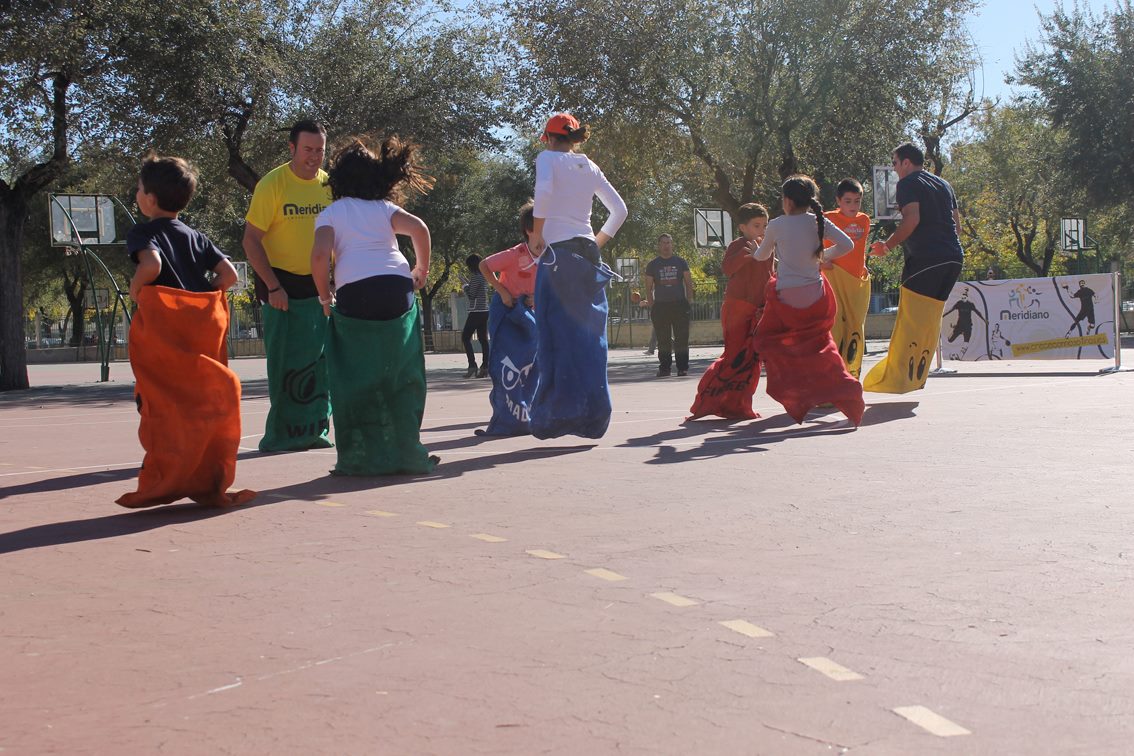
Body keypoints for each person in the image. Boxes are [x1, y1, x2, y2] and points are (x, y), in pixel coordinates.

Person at [117, 156, 255, 508]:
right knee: (198, 403)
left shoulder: (143, 232)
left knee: (162, 402)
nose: (137, 193)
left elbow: (153, 265)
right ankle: (205, 474)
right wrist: (203, 289)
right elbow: (229, 277)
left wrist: (136, 288)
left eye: (138, 188)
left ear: (148, 199)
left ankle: (166, 476)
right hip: (200, 330)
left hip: (167, 330)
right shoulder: (197, 236)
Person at [311, 135, 436, 476]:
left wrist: (325, 297)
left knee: (356, 372)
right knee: (401, 371)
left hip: (356, 292)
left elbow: (320, 256)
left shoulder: (331, 213)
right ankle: (406, 450)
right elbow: (420, 229)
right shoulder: (385, 209)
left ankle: (359, 455)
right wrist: (420, 270)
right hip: (397, 288)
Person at [527, 112, 628, 439]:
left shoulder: (547, 159)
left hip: (558, 256)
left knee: (555, 335)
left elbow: (542, 194)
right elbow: (620, 210)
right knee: (589, 338)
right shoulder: (589, 166)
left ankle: (554, 418)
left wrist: (536, 235)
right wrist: (596, 242)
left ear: (550, 138)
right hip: (588, 254)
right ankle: (594, 418)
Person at [243, 120, 334, 450]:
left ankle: (315, 431)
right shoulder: (273, 184)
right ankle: (282, 436)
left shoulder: (329, 186)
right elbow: (251, 240)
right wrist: (273, 286)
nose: (314, 157)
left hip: (320, 286)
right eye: (307, 149)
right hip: (280, 285)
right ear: (292, 148)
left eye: (320, 150)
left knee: (321, 364)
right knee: (284, 365)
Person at [748, 175, 864, 425]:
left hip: (786, 299)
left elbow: (761, 256)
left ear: (787, 201)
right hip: (816, 296)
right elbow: (847, 245)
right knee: (822, 345)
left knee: (768, 341)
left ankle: (798, 391)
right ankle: (846, 386)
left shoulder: (777, 225)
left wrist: (756, 248)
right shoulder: (817, 221)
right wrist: (821, 258)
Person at [864, 142, 965, 393]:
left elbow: (912, 218)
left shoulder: (908, 184)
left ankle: (899, 378)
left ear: (906, 162)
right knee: (930, 319)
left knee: (911, 317)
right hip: (953, 257)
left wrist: (886, 246)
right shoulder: (944, 184)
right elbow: (957, 227)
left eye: (896, 163)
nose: (895, 169)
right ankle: (917, 376)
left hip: (926, 258)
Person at [688, 203, 772, 420]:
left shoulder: (768, 246)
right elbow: (727, 268)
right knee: (734, 357)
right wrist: (748, 254)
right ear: (743, 227)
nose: (762, 230)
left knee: (752, 360)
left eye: (765, 225)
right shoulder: (739, 244)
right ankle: (708, 400)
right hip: (737, 308)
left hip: (757, 310)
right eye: (756, 225)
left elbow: (768, 275)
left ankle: (740, 405)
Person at [477, 201, 542, 435]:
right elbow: (484, 265)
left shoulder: (549, 257)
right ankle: (504, 419)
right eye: (541, 225)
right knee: (507, 363)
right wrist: (501, 290)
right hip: (505, 309)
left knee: (533, 363)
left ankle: (526, 415)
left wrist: (537, 297)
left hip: (528, 313)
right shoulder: (515, 254)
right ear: (528, 230)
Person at [822, 178, 873, 379]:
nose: (853, 206)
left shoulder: (864, 220)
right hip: (834, 277)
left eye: (857, 201)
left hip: (855, 281)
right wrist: (820, 261)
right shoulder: (826, 218)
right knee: (836, 327)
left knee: (855, 327)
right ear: (838, 200)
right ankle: (832, 376)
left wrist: (862, 267)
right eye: (848, 201)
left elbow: (860, 250)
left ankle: (851, 374)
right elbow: (812, 245)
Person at [644, 234, 694, 377]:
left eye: (669, 243)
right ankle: (665, 368)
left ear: (672, 244)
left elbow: (689, 283)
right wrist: (652, 305)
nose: (666, 245)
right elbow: (648, 287)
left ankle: (682, 367)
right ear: (659, 245)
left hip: (679, 305)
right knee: (663, 339)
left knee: (681, 339)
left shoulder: (681, 262)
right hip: (661, 306)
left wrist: (688, 302)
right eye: (663, 243)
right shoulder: (652, 265)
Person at [461, 254, 491, 378]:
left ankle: (472, 365)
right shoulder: (483, 277)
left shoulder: (475, 277)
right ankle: (485, 366)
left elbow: (471, 295)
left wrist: (464, 286)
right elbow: (477, 291)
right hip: (484, 310)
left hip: (476, 311)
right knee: (483, 339)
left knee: (465, 337)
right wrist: (468, 284)